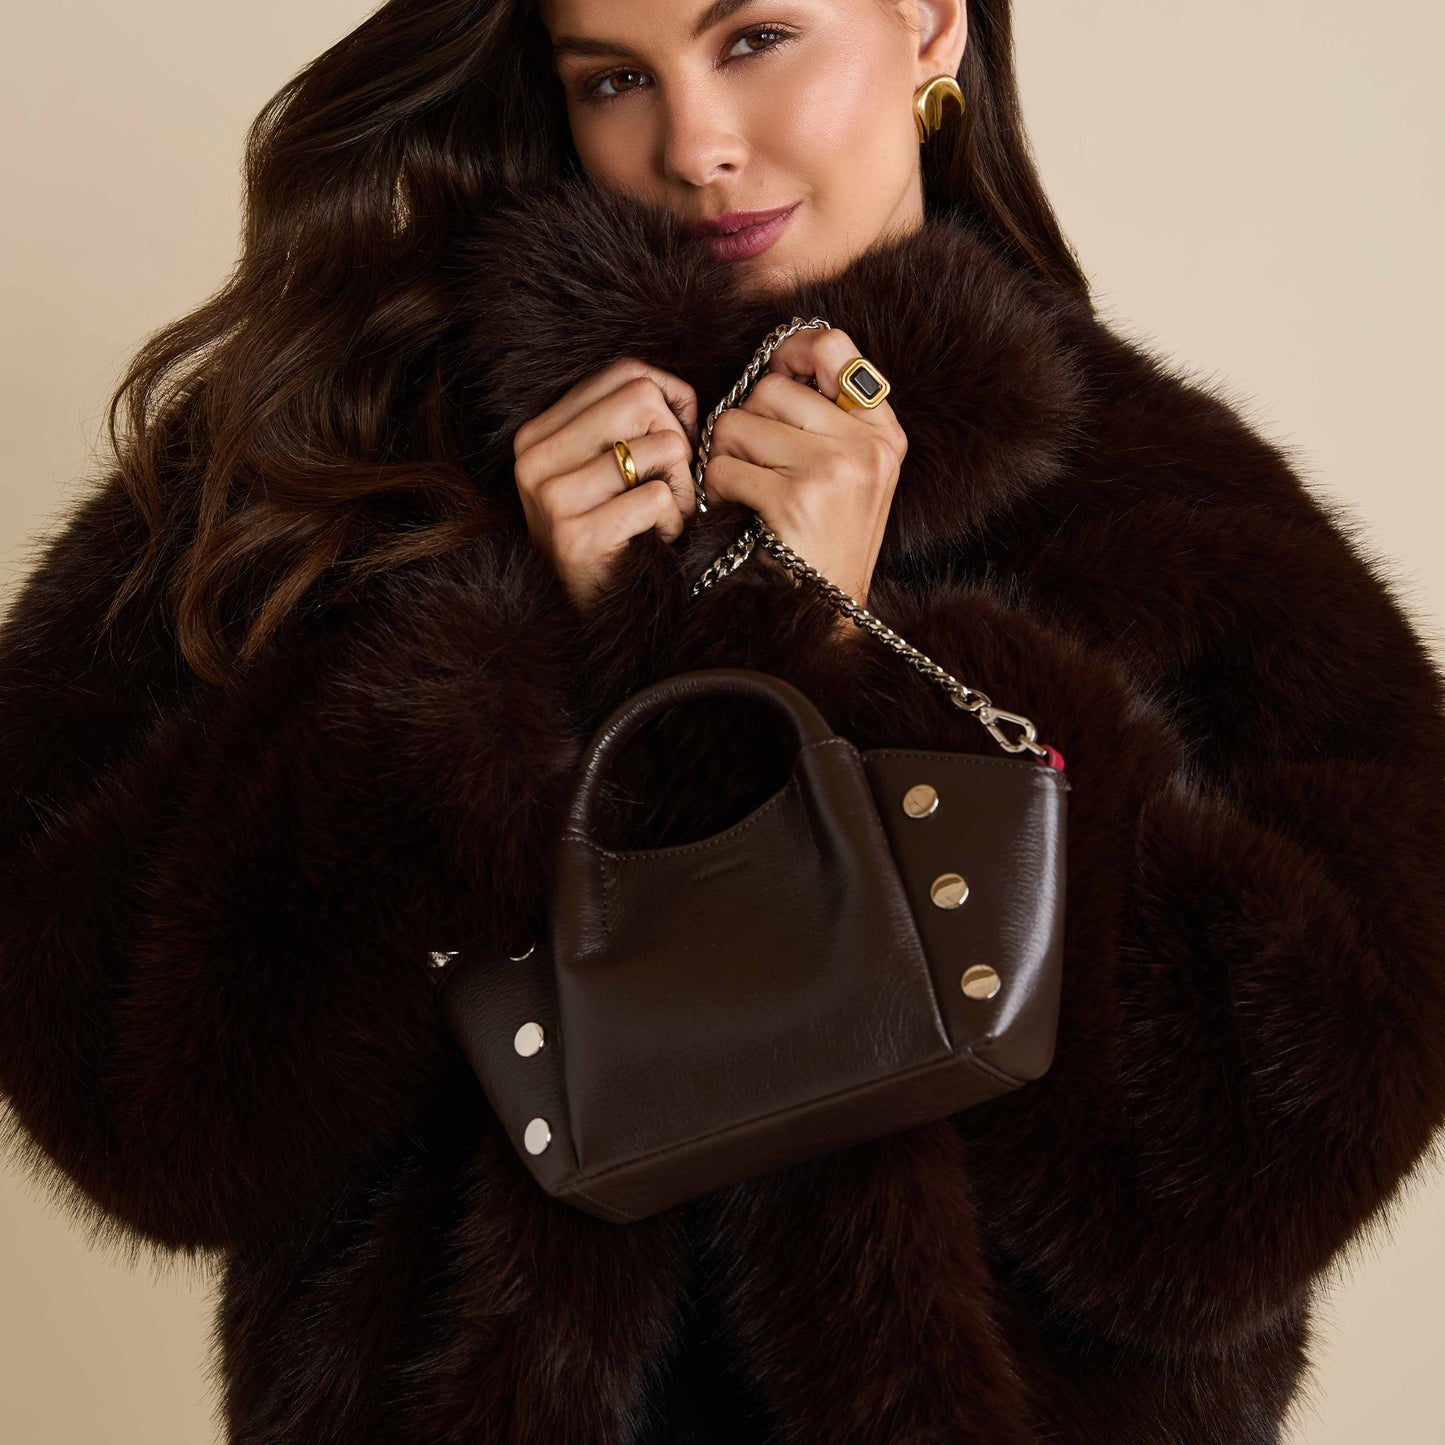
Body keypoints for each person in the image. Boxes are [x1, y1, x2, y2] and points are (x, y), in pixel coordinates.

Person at [2, 0, 1443, 1440]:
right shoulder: (349, 434)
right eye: (615, 77)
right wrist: (509, 643)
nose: (690, 145)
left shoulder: (1163, 503)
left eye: (753, 38)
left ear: (933, 27)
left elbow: (1271, 1150)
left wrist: (859, 651)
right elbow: (128, 1095)